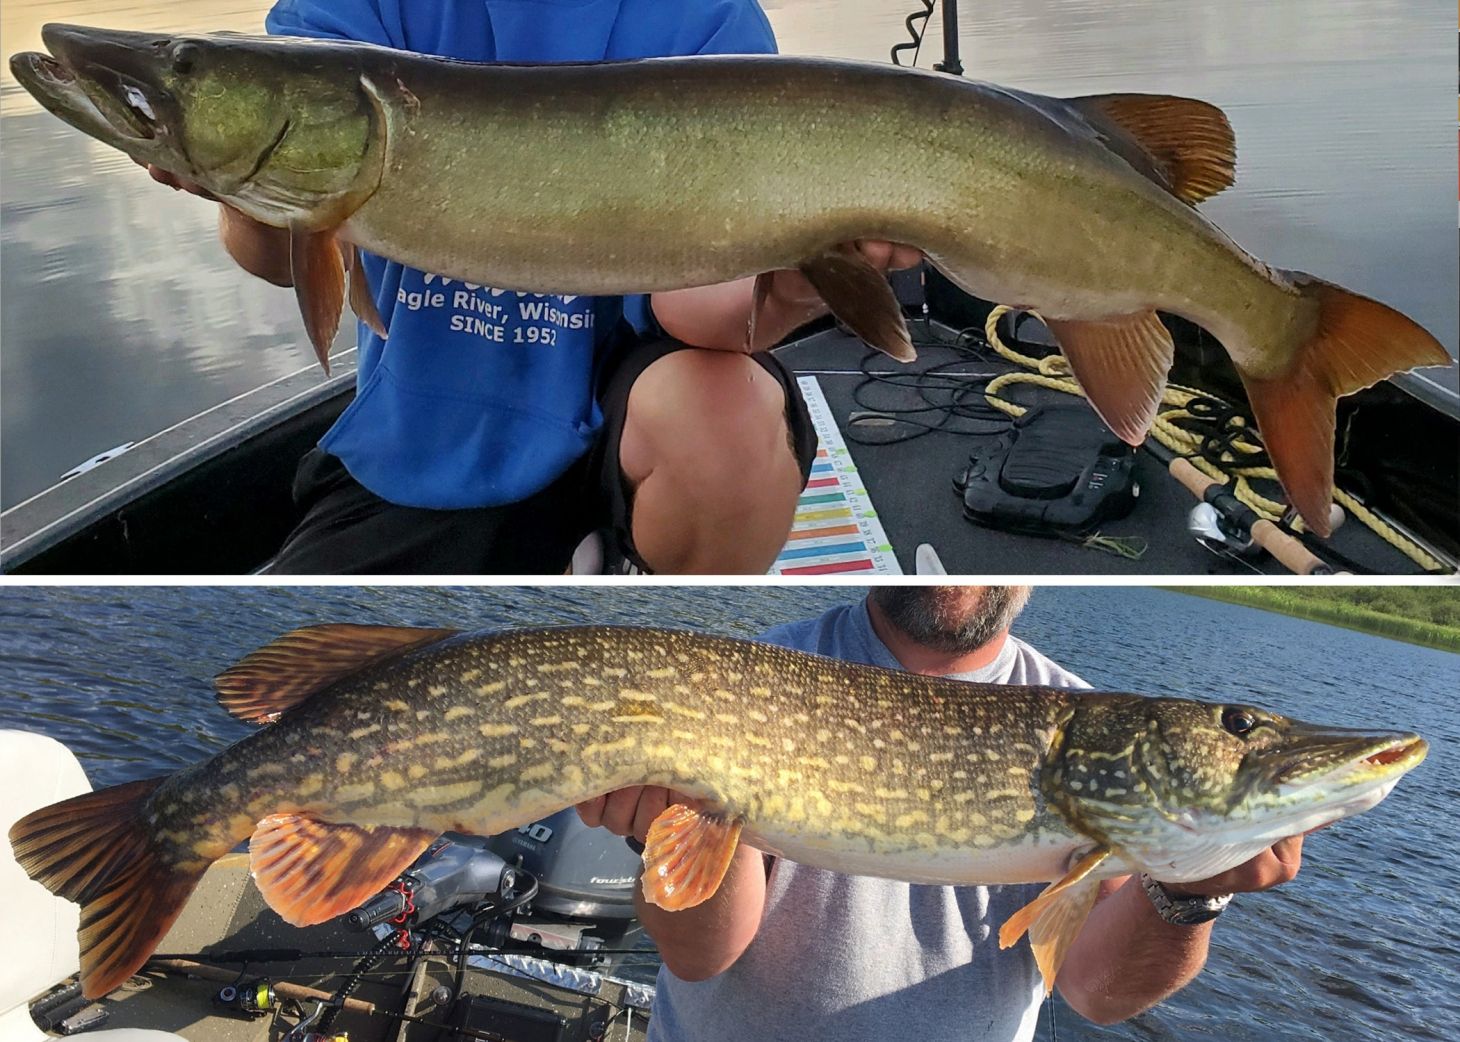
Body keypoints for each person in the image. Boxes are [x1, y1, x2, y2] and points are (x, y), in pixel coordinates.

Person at [143, 0, 920, 575]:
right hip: (422, 433)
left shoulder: (706, 17)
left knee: (730, 416)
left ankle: (663, 615)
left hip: (627, 410)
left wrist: (803, 282)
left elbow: (702, 308)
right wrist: (237, 181)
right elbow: (269, 254)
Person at [577, 587, 1307, 1041]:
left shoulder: (1087, 727)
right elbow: (703, 953)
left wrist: (1191, 891)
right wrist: (659, 827)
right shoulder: (750, 675)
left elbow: (1096, 992)